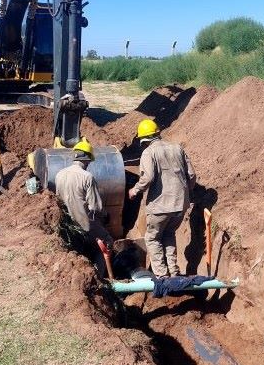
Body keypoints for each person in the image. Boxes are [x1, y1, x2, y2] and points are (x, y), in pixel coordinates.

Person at [128, 119, 196, 278]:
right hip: (180, 205)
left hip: (160, 206)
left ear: (143, 140)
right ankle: (173, 271)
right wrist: (186, 192)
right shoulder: (177, 148)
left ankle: (161, 275)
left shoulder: (148, 152)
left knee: (152, 238)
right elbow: (191, 175)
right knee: (169, 234)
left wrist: (135, 190)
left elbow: (148, 177)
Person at [55, 139, 114, 272]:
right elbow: (95, 207)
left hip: (68, 225)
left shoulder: (59, 175)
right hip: (86, 224)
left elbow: (58, 200)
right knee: (107, 243)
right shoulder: (87, 177)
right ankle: (99, 276)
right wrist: (106, 216)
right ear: (86, 159)